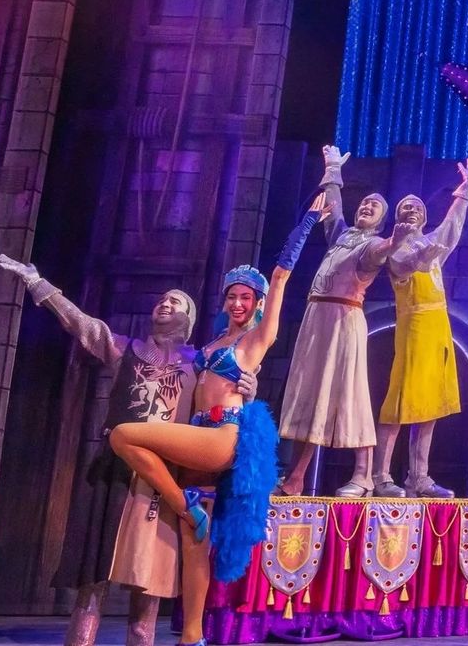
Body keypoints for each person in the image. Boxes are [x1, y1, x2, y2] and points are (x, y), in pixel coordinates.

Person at [0, 258, 250, 646]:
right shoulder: (125, 350)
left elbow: (226, 387)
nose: (165, 304)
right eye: (162, 300)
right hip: (115, 469)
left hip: (159, 477)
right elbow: (83, 325)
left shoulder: (197, 362)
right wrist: (38, 283)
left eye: (175, 302)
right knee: (93, 573)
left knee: (147, 579)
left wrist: (249, 384)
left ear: (189, 318)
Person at [106, 196, 325, 646]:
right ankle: (192, 637)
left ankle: (182, 504)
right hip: (196, 435)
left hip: (222, 436)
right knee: (194, 544)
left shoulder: (254, 341)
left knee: (124, 436)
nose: (239, 302)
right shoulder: (210, 344)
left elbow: (281, 276)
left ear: (258, 303)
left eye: (247, 297)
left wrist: (306, 221)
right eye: (233, 296)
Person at [278, 144, 395, 496]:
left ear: (381, 220)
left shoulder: (370, 246)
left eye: (375, 205)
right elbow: (332, 208)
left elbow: (381, 252)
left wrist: (396, 239)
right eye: (365, 201)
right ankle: (296, 474)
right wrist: (333, 171)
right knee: (311, 392)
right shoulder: (342, 236)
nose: (367, 205)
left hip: (344, 319)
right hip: (318, 316)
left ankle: (363, 473)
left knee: (347, 391)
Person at [372, 155, 468, 498]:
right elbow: (401, 266)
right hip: (416, 326)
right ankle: (380, 477)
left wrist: (467, 191)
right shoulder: (395, 246)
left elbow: (450, 229)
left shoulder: (430, 243)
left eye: (417, 206)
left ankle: (418, 477)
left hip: (438, 327)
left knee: (431, 403)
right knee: (401, 400)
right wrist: (415, 260)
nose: (411, 209)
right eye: (405, 206)